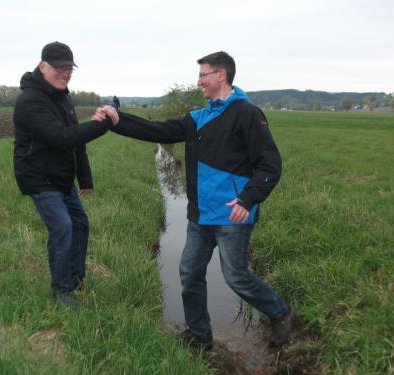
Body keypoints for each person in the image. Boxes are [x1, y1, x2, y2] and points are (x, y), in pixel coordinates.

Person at [95, 51, 296, 348]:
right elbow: (158, 130)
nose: (198, 81)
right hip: (200, 215)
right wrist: (117, 120)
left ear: (221, 75)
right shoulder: (199, 118)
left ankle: (281, 312)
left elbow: (270, 165)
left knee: (236, 277)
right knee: (189, 272)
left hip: (232, 215)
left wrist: (247, 199)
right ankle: (199, 333)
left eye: (203, 74)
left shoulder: (247, 114)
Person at [13, 41, 117, 310]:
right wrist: (102, 124)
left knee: (80, 223)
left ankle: (76, 277)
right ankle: (61, 292)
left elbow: (75, 142)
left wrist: (85, 179)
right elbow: (61, 138)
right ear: (42, 65)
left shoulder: (63, 96)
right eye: (59, 68)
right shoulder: (30, 101)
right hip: (38, 177)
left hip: (62, 177)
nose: (66, 72)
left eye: (69, 68)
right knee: (63, 227)